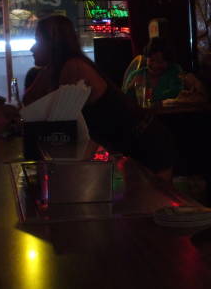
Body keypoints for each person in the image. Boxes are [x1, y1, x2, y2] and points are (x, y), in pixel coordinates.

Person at [22, 15, 177, 179]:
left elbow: (55, 123)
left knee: (156, 201)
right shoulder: (67, 66)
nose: (32, 48)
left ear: (52, 43)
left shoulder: (73, 68)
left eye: (37, 41)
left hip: (148, 141)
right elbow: (31, 104)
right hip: (139, 141)